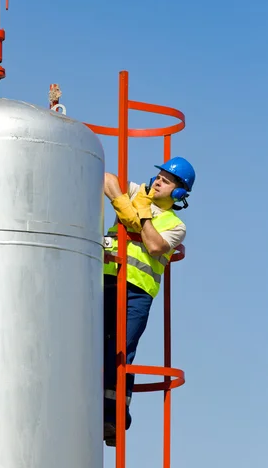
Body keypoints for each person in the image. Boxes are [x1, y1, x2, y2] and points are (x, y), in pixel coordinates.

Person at [102, 157, 195, 447]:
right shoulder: (136, 192)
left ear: (179, 193)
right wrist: (126, 204)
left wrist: (142, 218)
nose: (157, 182)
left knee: (121, 352)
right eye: (159, 176)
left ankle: (114, 417)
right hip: (107, 279)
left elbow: (155, 246)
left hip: (137, 294)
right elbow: (105, 178)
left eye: (167, 181)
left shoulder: (175, 224)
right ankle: (87, 406)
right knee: (94, 345)